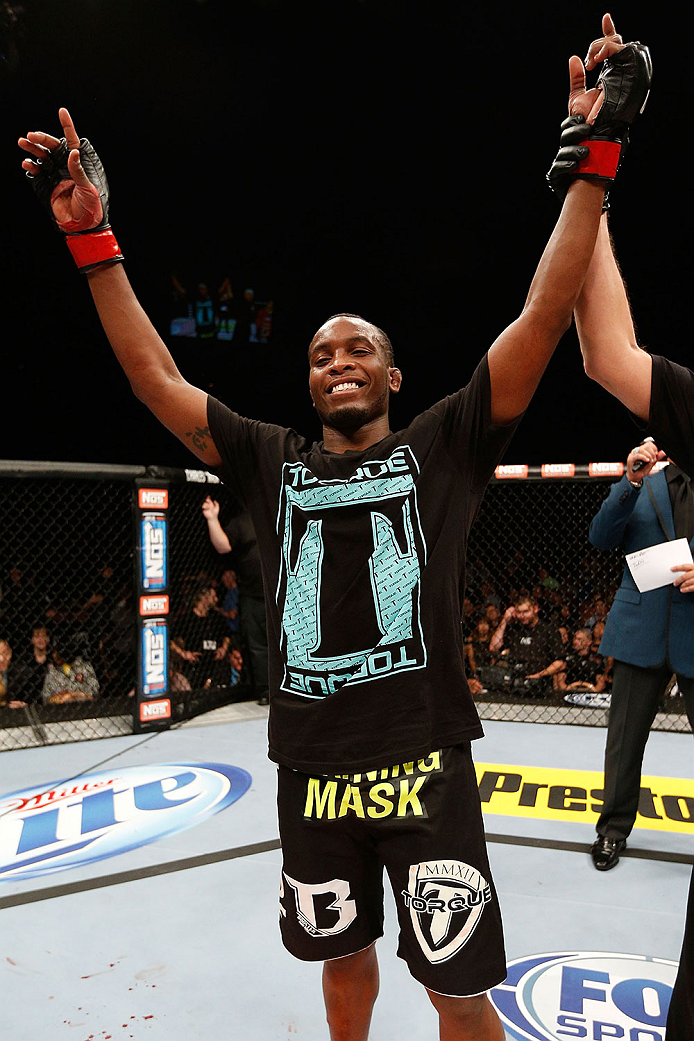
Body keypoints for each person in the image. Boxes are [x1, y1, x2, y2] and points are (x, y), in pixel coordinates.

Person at [18, 37, 647, 1038]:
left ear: (394, 377)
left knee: (455, 987)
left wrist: (597, 156)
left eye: (359, 349)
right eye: (320, 354)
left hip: (422, 764)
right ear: (306, 380)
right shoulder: (270, 461)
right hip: (310, 765)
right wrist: (95, 242)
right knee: (342, 964)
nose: (337, 362)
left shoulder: (443, 445)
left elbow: (540, 315)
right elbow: (155, 380)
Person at [563, 16, 690, 1037]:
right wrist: (593, 161)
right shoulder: (664, 449)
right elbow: (607, 350)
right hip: (652, 628)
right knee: (623, 747)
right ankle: (611, 829)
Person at [586, 439, 694, 868]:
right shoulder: (641, 482)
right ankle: (612, 830)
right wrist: (628, 480)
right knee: (625, 742)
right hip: (639, 629)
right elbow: (601, 537)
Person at [202, 496, 269, 705]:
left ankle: (292, 688)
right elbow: (223, 546)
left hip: (281, 593)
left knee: (287, 643)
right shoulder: (242, 521)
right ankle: (266, 690)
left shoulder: (275, 513)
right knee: (257, 646)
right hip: (252, 595)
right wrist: (212, 519)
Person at [488, 596, 565, 693]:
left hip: (540, 686)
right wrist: (505, 620)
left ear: (535, 609)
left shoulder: (548, 630)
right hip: (514, 684)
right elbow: (493, 647)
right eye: (519, 612)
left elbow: (560, 662)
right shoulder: (514, 629)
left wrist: (539, 675)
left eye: (526, 612)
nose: (522, 616)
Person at [170, 584, 231, 691]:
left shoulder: (216, 617)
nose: (216, 600)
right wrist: (184, 654)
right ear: (204, 598)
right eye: (213, 596)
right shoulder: (187, 619)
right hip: (195, 665)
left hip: (215, 664)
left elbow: (227, 635)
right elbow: (169, 640)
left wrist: (223, 648)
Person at [41, 639, 99, 704]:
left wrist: (74, 694)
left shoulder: (85, 667)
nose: (54, 655)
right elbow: (45, 698)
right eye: (54, 652)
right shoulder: (52, 671)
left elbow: (95, 691)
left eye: (56, 652)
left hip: (85, 706)